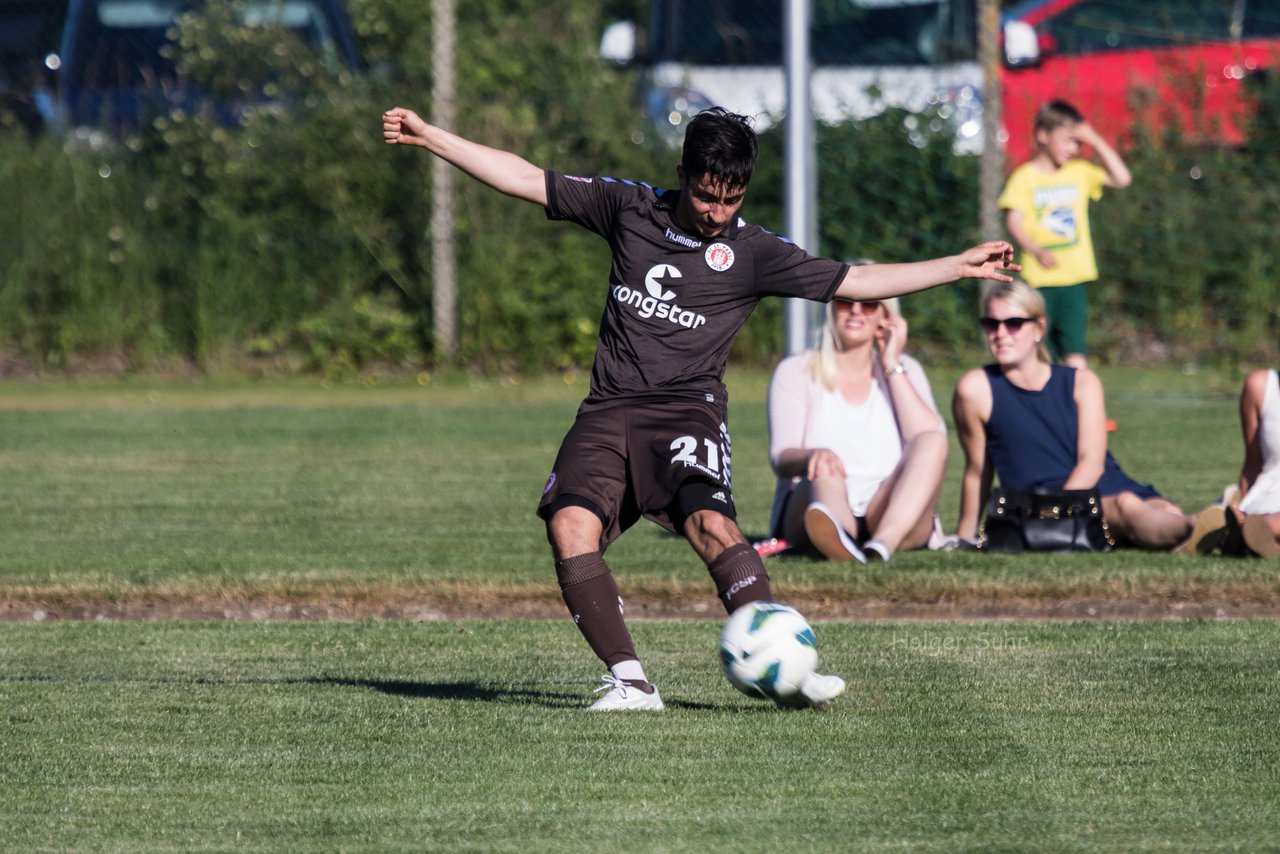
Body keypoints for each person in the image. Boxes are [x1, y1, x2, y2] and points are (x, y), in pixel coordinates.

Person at [383, 104, 1018, 711]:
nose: (717, 211)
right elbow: (524, 176)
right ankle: (632, 683)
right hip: (608, 410)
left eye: (731, 199)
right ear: (683, 175)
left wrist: (957, 268)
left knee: (712, 528)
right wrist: (432, 136)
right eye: (707, 195)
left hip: (688, 413)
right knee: (569, 526)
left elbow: (854, 279)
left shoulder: (754, 253)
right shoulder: (628, 207)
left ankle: (790, 672)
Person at [953, 280, 1206, 551]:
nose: (1001, 333)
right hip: (1044, 504)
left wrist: (1062, 507)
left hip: (1095, 488)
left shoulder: (1081, 383)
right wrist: (964, 537)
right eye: (992, 324)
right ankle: (1202, 528)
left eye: (1013, 323)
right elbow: (978, 471)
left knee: (1163, 508)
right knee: (1127, 508)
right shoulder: (976, 389)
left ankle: (1223, 526)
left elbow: (1092, 463)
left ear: (1039, 328)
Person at [766, 288, 947, 564]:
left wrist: (890, 364)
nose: (855, 311)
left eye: (869, 304)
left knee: (933, 439)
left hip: (887, 507)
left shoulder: (905, 368)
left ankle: (881, 546)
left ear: (886, 317)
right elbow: (782, 457)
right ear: (830, 308)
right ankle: (840, 537)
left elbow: (927, 439)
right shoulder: (796, 370)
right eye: (845, 301)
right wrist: (813, 455)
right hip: (820, 500)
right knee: (825, 467)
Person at [998, 99, 1131, 370]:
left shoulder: (1079, 173)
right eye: (1067, 141)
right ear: (1043, 136)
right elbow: (1014, 222)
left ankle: (1081, 404)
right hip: (1040, 280)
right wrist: (1036, 250)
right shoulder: (1025, 177)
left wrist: (1094, 139)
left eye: (1077, 143)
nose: (1073, 149)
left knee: (1074, 351)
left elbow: (1122, 178)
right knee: (1036, 349)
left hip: (1074, 277)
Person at [1220, 369, 1280, 557]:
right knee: (1256, 519)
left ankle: (1261, 535)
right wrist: (1244, 504)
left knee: (1265, 523)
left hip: (1266, 518)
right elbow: (1252, 465)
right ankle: (1250, 531)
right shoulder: (1261, 386)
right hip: (1269, 496)